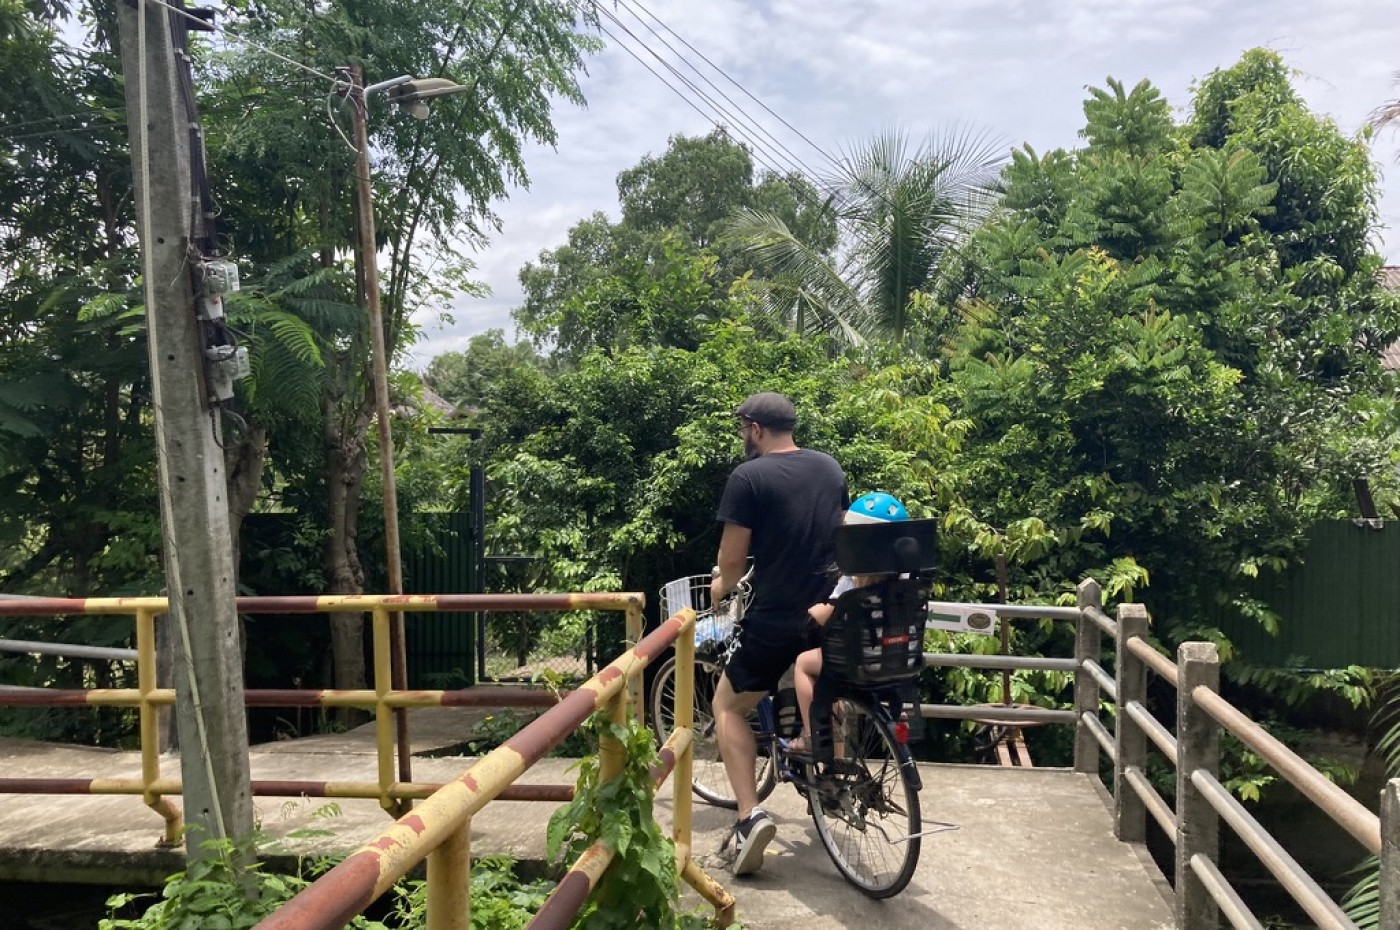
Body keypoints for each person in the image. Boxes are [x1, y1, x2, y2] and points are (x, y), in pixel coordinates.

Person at [709, 391, 847, 876]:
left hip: (777, 614)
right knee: (825, 683)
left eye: (742, 428)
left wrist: (721, 587)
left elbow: (731, 561)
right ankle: (832, 775)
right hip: (828, 609)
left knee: (728, 707)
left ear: (756, 428)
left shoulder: (748, 477)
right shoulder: (829, 467)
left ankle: (750, 816)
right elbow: (839, 533)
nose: (742, 436)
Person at [787, 492, 910, 755]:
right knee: (830, 672)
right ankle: (837, 758)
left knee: (804, 664)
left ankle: (810, 736)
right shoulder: (907, 578)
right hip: (896, 659)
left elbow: (829, 614)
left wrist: (812, 611)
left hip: (857, 660)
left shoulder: (854, 578)